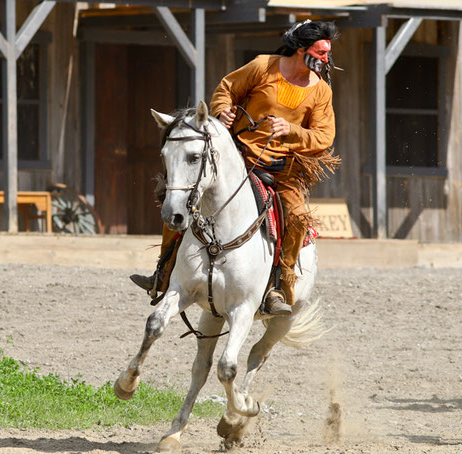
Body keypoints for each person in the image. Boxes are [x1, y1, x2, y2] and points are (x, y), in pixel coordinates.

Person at [130, 20, 341, 316]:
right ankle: (162, 274)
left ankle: (279, 287)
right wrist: (222, 112)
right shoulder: (262, 67)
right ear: (300, 49)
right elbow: (227, 89)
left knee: (297, 218)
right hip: (237, 157)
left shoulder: (321, 92)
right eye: (319, 52)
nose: (325, 59)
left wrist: (291, 130)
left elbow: (324, 137)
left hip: (283, 170)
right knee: (179, 197)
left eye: (327, 54)